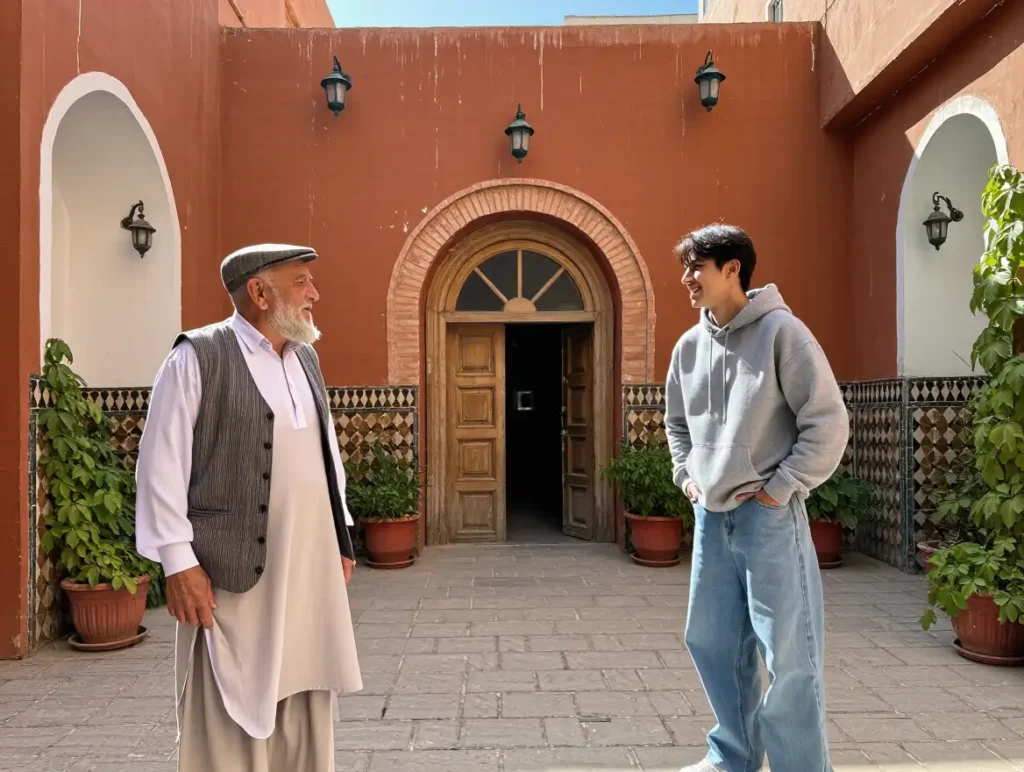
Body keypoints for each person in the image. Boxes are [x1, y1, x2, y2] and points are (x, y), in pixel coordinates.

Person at [135, 243, 362, 771]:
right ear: (259, 292)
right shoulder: (196, 356)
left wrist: (339, 535)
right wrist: (178, 563)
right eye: (301, 282)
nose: (314, 293)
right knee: (230, 687)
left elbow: (326, 453)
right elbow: (159, 463)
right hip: (230, 568)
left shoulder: (306, 357)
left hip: (307, 563)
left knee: (305, 674)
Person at [665, 225, 848, 772]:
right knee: (713, 643)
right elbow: (676, 424)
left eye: (696, 266)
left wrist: (779, 490)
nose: (686, 278)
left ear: (732, 269)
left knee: (788, 657)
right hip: (710, 518)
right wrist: (687, 477)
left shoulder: (783, 333)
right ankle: (733, 757)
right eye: (685, 267)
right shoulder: (688, 347)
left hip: (768, 520)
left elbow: (827, 423)